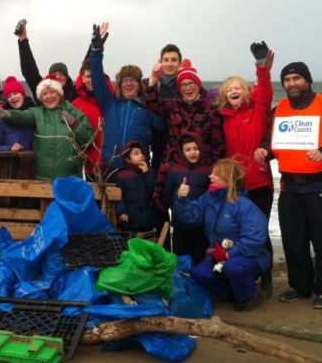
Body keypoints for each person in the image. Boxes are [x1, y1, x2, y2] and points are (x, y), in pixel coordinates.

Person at [255, 61, 322, 309]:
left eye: (297, 78)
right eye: (287, 80)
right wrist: (264, 151)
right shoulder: (279, 110)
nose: (291, 84)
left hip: (321, 185)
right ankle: (300, 285)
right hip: (290, 187)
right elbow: (270, 142)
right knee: (293, 240)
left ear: (307, 80)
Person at [216, 41, 274, 295]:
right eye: (230, 89)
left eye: (239, 87)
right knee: (239, 232)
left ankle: (268, 275)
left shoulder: (257, 111)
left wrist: (262, 66)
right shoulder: (223, 118)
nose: (234, 91)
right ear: (225, 95)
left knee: (259, 230)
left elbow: (266, 94)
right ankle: (245, 275)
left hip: (259, 182)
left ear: (246, 91)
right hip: (235, 186)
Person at [174, 158, 270, 312]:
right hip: (218, 255)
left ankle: (250, 295)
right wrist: (181, 198)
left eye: (215, 174)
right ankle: (232, 293)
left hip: (251, 257)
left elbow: (255, 239)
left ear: (227, 178)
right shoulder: (209, 198)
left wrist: (229, 254)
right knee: (199, 273)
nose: (210, 176)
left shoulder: (244, 205)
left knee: (233, 268)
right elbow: (190, 217)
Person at [144, 58, 225, 212]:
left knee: (203, 208)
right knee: (169, 203)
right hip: (175, 164)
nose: (188, 88)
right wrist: (153, 78)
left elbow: (218, 143)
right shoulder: (172, 105)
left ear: (198, 86)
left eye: (191, 84)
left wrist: (215, 169)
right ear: (179, 88)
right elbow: (152, 103)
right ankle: (168, 234)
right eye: (183, 85)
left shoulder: (210, 110)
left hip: (202, 167)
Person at [0, 74, 94, 181]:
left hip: (70, 179)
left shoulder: (73, 112)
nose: (49, 96)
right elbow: (23, 116)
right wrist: (8, 114)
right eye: (44, 94)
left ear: (60, 94)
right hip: (42, 180)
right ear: (41, 97)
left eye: (52, 92)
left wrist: (74, 123)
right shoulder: (37, 113)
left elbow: (88, 140)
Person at [89, 24, 164, 170]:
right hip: (111, 168)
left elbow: (162, 126)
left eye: (133, 80)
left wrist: (157, 90)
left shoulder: (147, 107)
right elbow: (97, 77)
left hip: (138, 169)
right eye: (125, 80)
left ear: (139, 84)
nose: (129, 84)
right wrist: (96, 51)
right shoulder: (110, 103)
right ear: (120, 84)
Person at [163, 133, 212, 262]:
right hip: (180, 226)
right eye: (188, 150)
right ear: (182, 152)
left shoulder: (208, 171)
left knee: (200, 260)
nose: (192, 152)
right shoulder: (174, 171)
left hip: (202, 227)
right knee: (182, 261)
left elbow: (212, 197)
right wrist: (178, 195)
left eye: (196, 148)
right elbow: (166, 197)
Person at [14, 19, 78, 101]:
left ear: (67, 77)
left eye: (61, 74)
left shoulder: (75, 93)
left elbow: (85, 70)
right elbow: (29, 71)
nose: (58, 77)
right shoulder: (42, 92)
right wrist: (23, 39)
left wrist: (94, 47)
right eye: (54, 74)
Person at [149, 43, 182, 169]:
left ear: (179, 63)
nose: (169, 64)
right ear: (161, 62)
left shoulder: (184, 85)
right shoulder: (153, 84)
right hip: (157, 149)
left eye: (174, 60)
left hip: (180, 149)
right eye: (166, 60)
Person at [114, 142, 159, 234]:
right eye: (136, 153)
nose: (141, 155)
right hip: (131, 220)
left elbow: (154, 190)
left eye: (142, 153)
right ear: (128, 159)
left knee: (147, 244)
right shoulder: (122, 176)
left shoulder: (150, 172)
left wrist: (147, 173)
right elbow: (120, 197)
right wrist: (122, 212)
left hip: (148, 220)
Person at [0, 76, 36, 152]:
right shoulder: (2, 121)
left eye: (15, 93)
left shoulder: (34, 114)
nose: (12, 97)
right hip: (10, 162)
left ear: (23, 94)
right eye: (9, 96)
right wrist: (9, 148)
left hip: (34, 162)